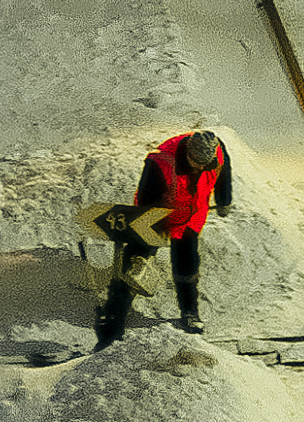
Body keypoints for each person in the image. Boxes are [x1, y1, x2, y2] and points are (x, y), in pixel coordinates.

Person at [84, 128, 232, 346]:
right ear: (187, 153)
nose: (200, 168)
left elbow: (224, 174)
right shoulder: (160, 162)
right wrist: (147, 234)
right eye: (195, 163)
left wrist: (224, 199)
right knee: (135, 264)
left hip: (191, 215)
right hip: (155, 214)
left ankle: (190, 313)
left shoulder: (217, 152)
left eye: (204, 164)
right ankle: (113, 321)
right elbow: (146, 201)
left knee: (187, 266)